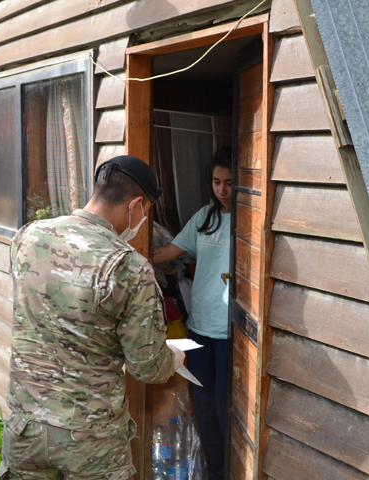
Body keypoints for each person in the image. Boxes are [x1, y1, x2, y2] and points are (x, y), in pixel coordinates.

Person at [0, 155, 186, 480]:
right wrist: (174, 357)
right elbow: (146, 366)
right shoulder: (129, 267)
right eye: (145, 212)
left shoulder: (28, 237)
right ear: (136, 205)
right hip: (90, 441)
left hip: (24, 430)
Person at [151, 148, 232, 480]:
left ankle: (232, 470)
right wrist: (133, 252)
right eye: (216, 182)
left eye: (229, 183)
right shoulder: (205, 217)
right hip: (200, 328)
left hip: (231, 333)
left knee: (225, 408)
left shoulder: (251, 219)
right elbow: (171, 251)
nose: (222, 190)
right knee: (204, 406)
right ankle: (215, 472)